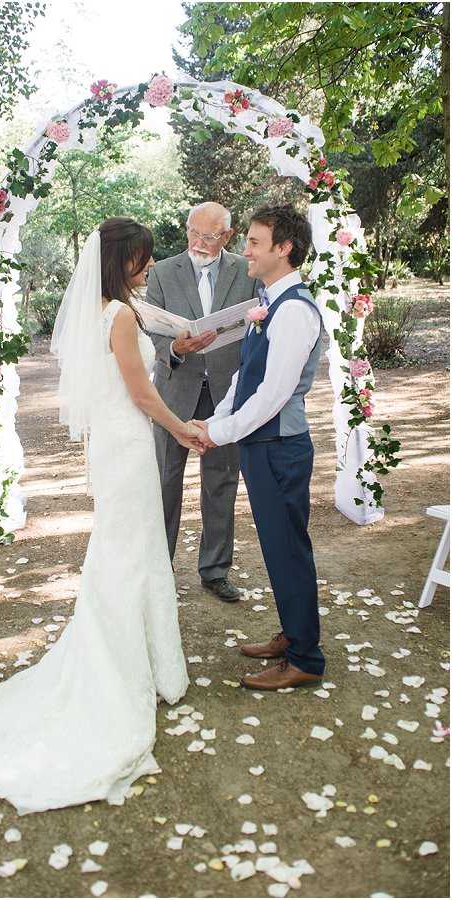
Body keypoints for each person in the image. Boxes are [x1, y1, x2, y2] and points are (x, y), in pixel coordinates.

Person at [0, 218, 205, 813]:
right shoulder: (121, 317)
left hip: (108, 446)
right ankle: (132, 671)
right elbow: (140, 392)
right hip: (129, 445)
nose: (149, 266)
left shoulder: (101, 312)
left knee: (126, 552)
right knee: (130, 557)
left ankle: (154, 666)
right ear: (120, 263)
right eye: (142, 259)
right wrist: (182, 429)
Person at [195, 204, 326, 690]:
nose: (243, 249)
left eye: (253, 242)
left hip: (279, 446)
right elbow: (244, 381)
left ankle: (306, 659)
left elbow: (272, 396)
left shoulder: (292, 311)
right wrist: (214, 421)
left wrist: (218, 434)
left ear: (283, 248)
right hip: (260, 444)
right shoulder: (268, 302)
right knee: (278, 548)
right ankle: (293, 635)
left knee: (287, 549)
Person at [146, 202, 261, 602]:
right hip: (175, 392)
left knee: (221, 483)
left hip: (226, 395)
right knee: (164, 481)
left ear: (228, 237)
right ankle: (159, 569)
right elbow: (151, 332)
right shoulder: (162, 272)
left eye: (209, 236)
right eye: (193, 233)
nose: (198, 242)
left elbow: (257, 326)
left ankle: (215, 571)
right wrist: (175, 347)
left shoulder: (246, 272)